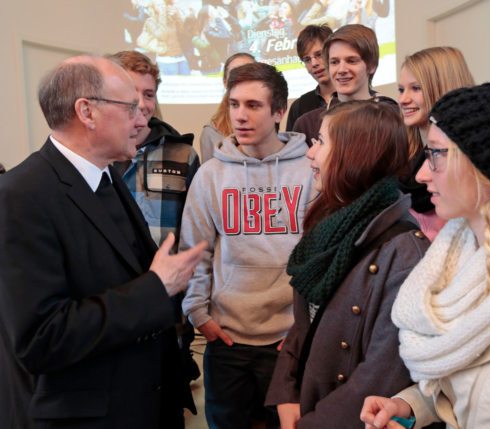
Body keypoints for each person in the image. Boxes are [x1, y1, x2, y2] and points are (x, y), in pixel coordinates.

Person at [0, 55, 207, 429]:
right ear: (87, 112)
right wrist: (156, 288)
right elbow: (40, 338)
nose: (143, 117)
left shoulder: (106, 176)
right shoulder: (19, 196)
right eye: (131, 106)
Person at [265, 100, 430, 428]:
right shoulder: (329, 224)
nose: (310, 154)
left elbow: (380, 375)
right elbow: (303, 324)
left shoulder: (404, 253)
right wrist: (286, 391)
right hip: (308, 404)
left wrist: (308, 425)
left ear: (355, 154)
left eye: (321, 142)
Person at [180, 62, 315, 429]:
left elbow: (321, 255)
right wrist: (199, 316)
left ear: (279, 112)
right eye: (235, 104)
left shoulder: (308, 170)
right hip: (227, 338)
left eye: (253, 105)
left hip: (289, 338)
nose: (240, 115)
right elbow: (196, 250)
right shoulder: (212, 174)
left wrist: (306, 327)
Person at [361, 82, 490, 429]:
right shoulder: (459, 250)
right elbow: (461, 388)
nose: (422, 174)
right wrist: (407, 406)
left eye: (436, 154)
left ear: (484, 167)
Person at [109, 50, 201, 383]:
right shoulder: (95, 156)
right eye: (132, 93)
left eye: (149, 94)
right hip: (109, 305)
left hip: (165, 304)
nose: (143, 104)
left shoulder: (182, 153)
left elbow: (195, 235)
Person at [397, 46, 475, 241]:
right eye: (401, 90)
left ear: (442, 87)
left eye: (415, 88)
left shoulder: (469, 162)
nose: (403, 99)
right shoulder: (405, 155)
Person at [293, 24, 396, 146]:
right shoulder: (307, 124)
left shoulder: (393, 116)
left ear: (371, 65)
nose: (341, 69)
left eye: (351, 61)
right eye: (334, 62)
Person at [199, 52, 255, 163]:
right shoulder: (211, 133)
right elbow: (210, 178)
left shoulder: (269, 120)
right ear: (225, 82)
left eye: (250, 72)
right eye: (235, 73)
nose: (242, 79)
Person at [286, 24, 334, 131]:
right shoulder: (299, 107)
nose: (314, 63)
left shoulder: (354, 97)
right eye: (307, 59)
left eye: (319, 54)